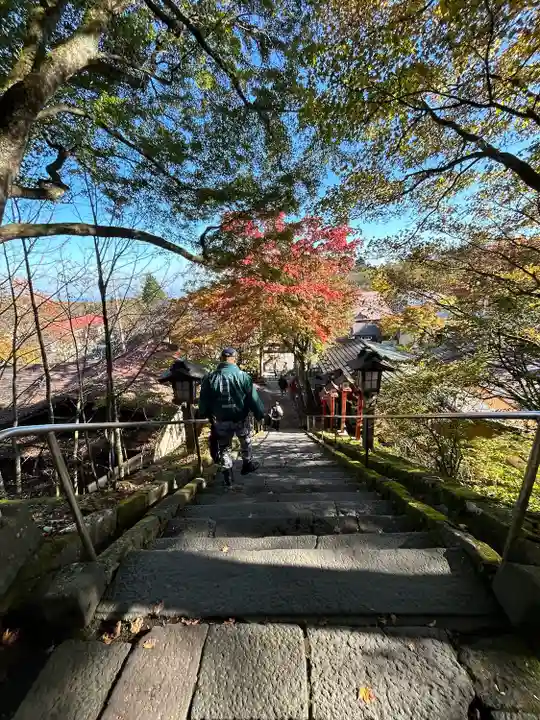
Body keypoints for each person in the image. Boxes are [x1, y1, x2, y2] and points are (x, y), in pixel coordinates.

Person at [199, 347, 265, 486]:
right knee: (245, 440)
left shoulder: (210, 378)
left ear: (221, 359)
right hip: (240, 417)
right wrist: (260, 414)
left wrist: (205, 413)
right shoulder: (243, 377)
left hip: (221, 419)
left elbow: (204, 401)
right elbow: (252, 399)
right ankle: (247, 463)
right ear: (234, 359)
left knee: (224, 447)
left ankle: (227, 474)